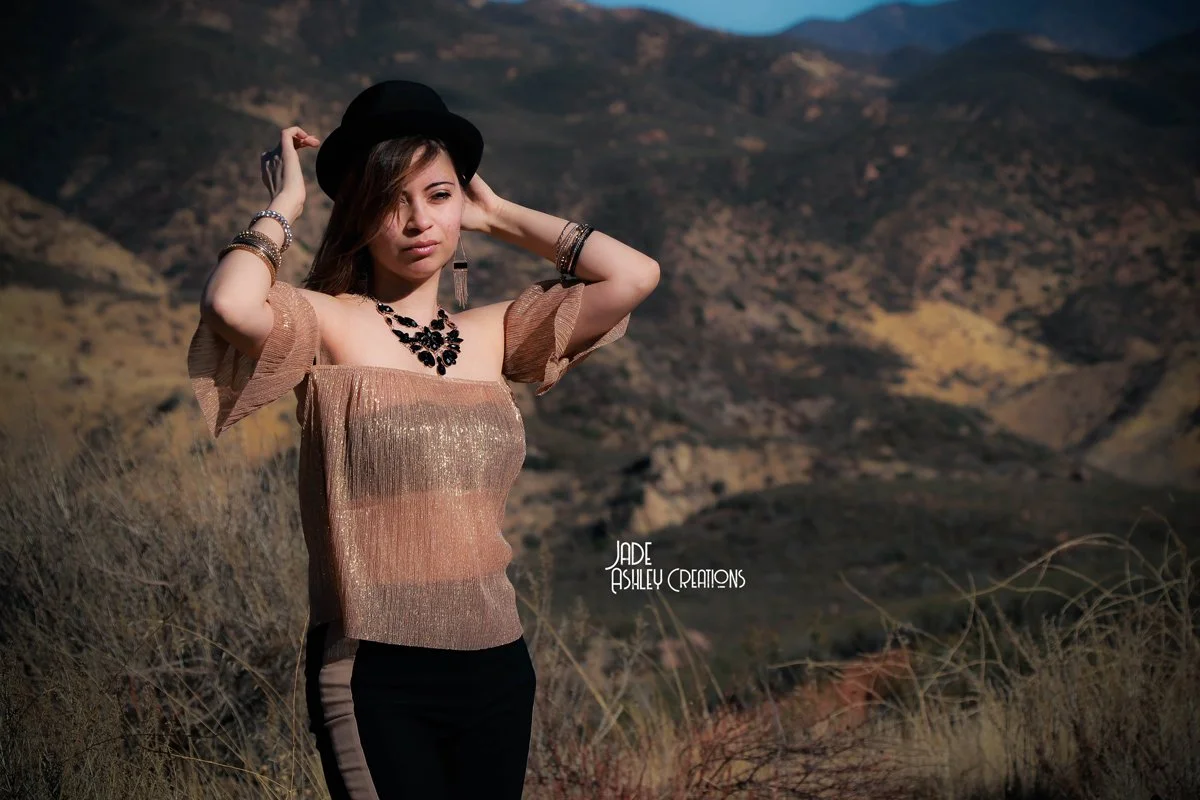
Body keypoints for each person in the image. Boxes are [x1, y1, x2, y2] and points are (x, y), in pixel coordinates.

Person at [186, 80, 659, 799]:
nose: (416, 222)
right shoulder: (326, 325)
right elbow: (229, 302)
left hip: (498, 660)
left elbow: (634, 274)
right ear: (358, 214)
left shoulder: (497, 332)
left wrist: (497, 215)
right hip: (375, 666)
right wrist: (283, 207)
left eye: (437, 196)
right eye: (390, 200)